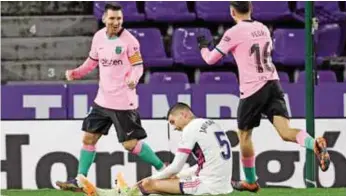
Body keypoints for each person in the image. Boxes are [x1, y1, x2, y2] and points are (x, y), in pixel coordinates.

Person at [197, 1, 330, 193]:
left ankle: (250, 181)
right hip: (273, 83)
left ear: (232, 11)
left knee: (244, 136)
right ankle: (314, 143)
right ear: (251, 9)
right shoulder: (263, 28)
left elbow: (210, 59)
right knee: (285, 132)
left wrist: (203, 46)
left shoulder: (233, 32)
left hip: (252, 89)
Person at [56, 3, 165, 192]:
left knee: (130, 144)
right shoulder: (98, 37)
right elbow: (92, 62)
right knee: (89, 138)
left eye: (119, 19)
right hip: (102, 100)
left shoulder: (129, 41)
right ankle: (80, 180)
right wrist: (76, 73)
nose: (116, 22)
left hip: (123, 101)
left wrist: (133, 78)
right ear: (104, 18)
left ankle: (163, 170)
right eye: (112, 18)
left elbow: (138, 66)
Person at [78, 103, 234, 196]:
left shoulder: (190, 128)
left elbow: (175, 167)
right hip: (221, 183)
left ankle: (116, 193)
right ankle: (122, 191)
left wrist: (155, 178)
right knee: (164, 181)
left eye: (173, 122)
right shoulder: (210, 123)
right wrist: (177, 175)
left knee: (149, 185)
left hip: (210, 186)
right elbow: (207, 163)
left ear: (184, 114)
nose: (174, 127)